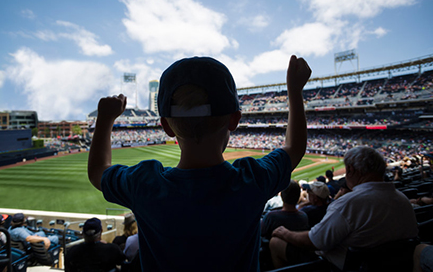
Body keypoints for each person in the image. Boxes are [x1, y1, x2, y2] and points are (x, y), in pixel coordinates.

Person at [87, 55, 312, 272]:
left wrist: (105, 119)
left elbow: (98, 172)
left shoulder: (144, 183)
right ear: (234, 119)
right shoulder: (253, 178)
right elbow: (294, 148)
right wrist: (295, 90)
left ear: (166, 126)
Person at [269, 146, 419, 271]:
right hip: (391, 267)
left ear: (351, 170)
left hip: (341, 266)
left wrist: (286, 233)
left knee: (276, 242)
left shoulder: (349, 203)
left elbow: (315, 241)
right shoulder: (403, 200)